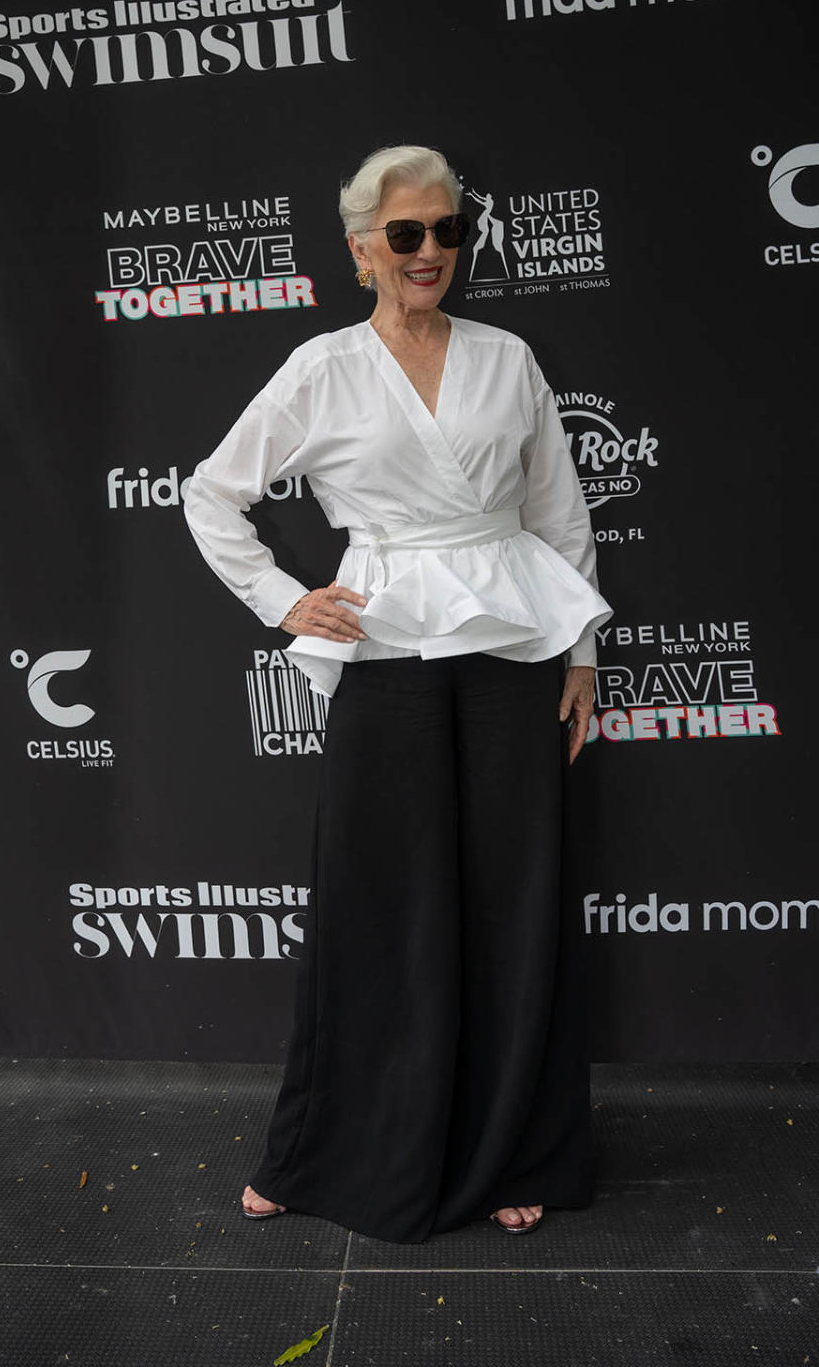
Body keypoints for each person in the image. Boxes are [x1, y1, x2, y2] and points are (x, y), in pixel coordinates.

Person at [182, 144, 613, 1244]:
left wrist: (581, 656)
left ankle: (516, 1148)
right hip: (384, 653)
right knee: (378, 909)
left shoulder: (508, 357)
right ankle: (322, 1148)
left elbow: (559, 514)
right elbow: (210, 495)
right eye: (407, 234)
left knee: (509, 906)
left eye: (448, 231)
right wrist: (284, 600)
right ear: (361, 248)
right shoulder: (321, 369)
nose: (431, 254)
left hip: (514, 646)